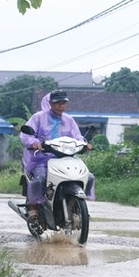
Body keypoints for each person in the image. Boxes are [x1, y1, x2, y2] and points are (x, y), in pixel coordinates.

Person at [20, 90, 95, 222]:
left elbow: (77, 136)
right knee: (40, 178)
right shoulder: (38, 117)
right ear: (50, 103)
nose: (61, 106)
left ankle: (78, 205)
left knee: (88, 176)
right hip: (42, 158)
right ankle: (34, 207)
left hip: (66, 158)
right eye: (57, 103)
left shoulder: (69, 120)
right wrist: (34, 143)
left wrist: (85, 143)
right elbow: (26, 135)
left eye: (63, 103)